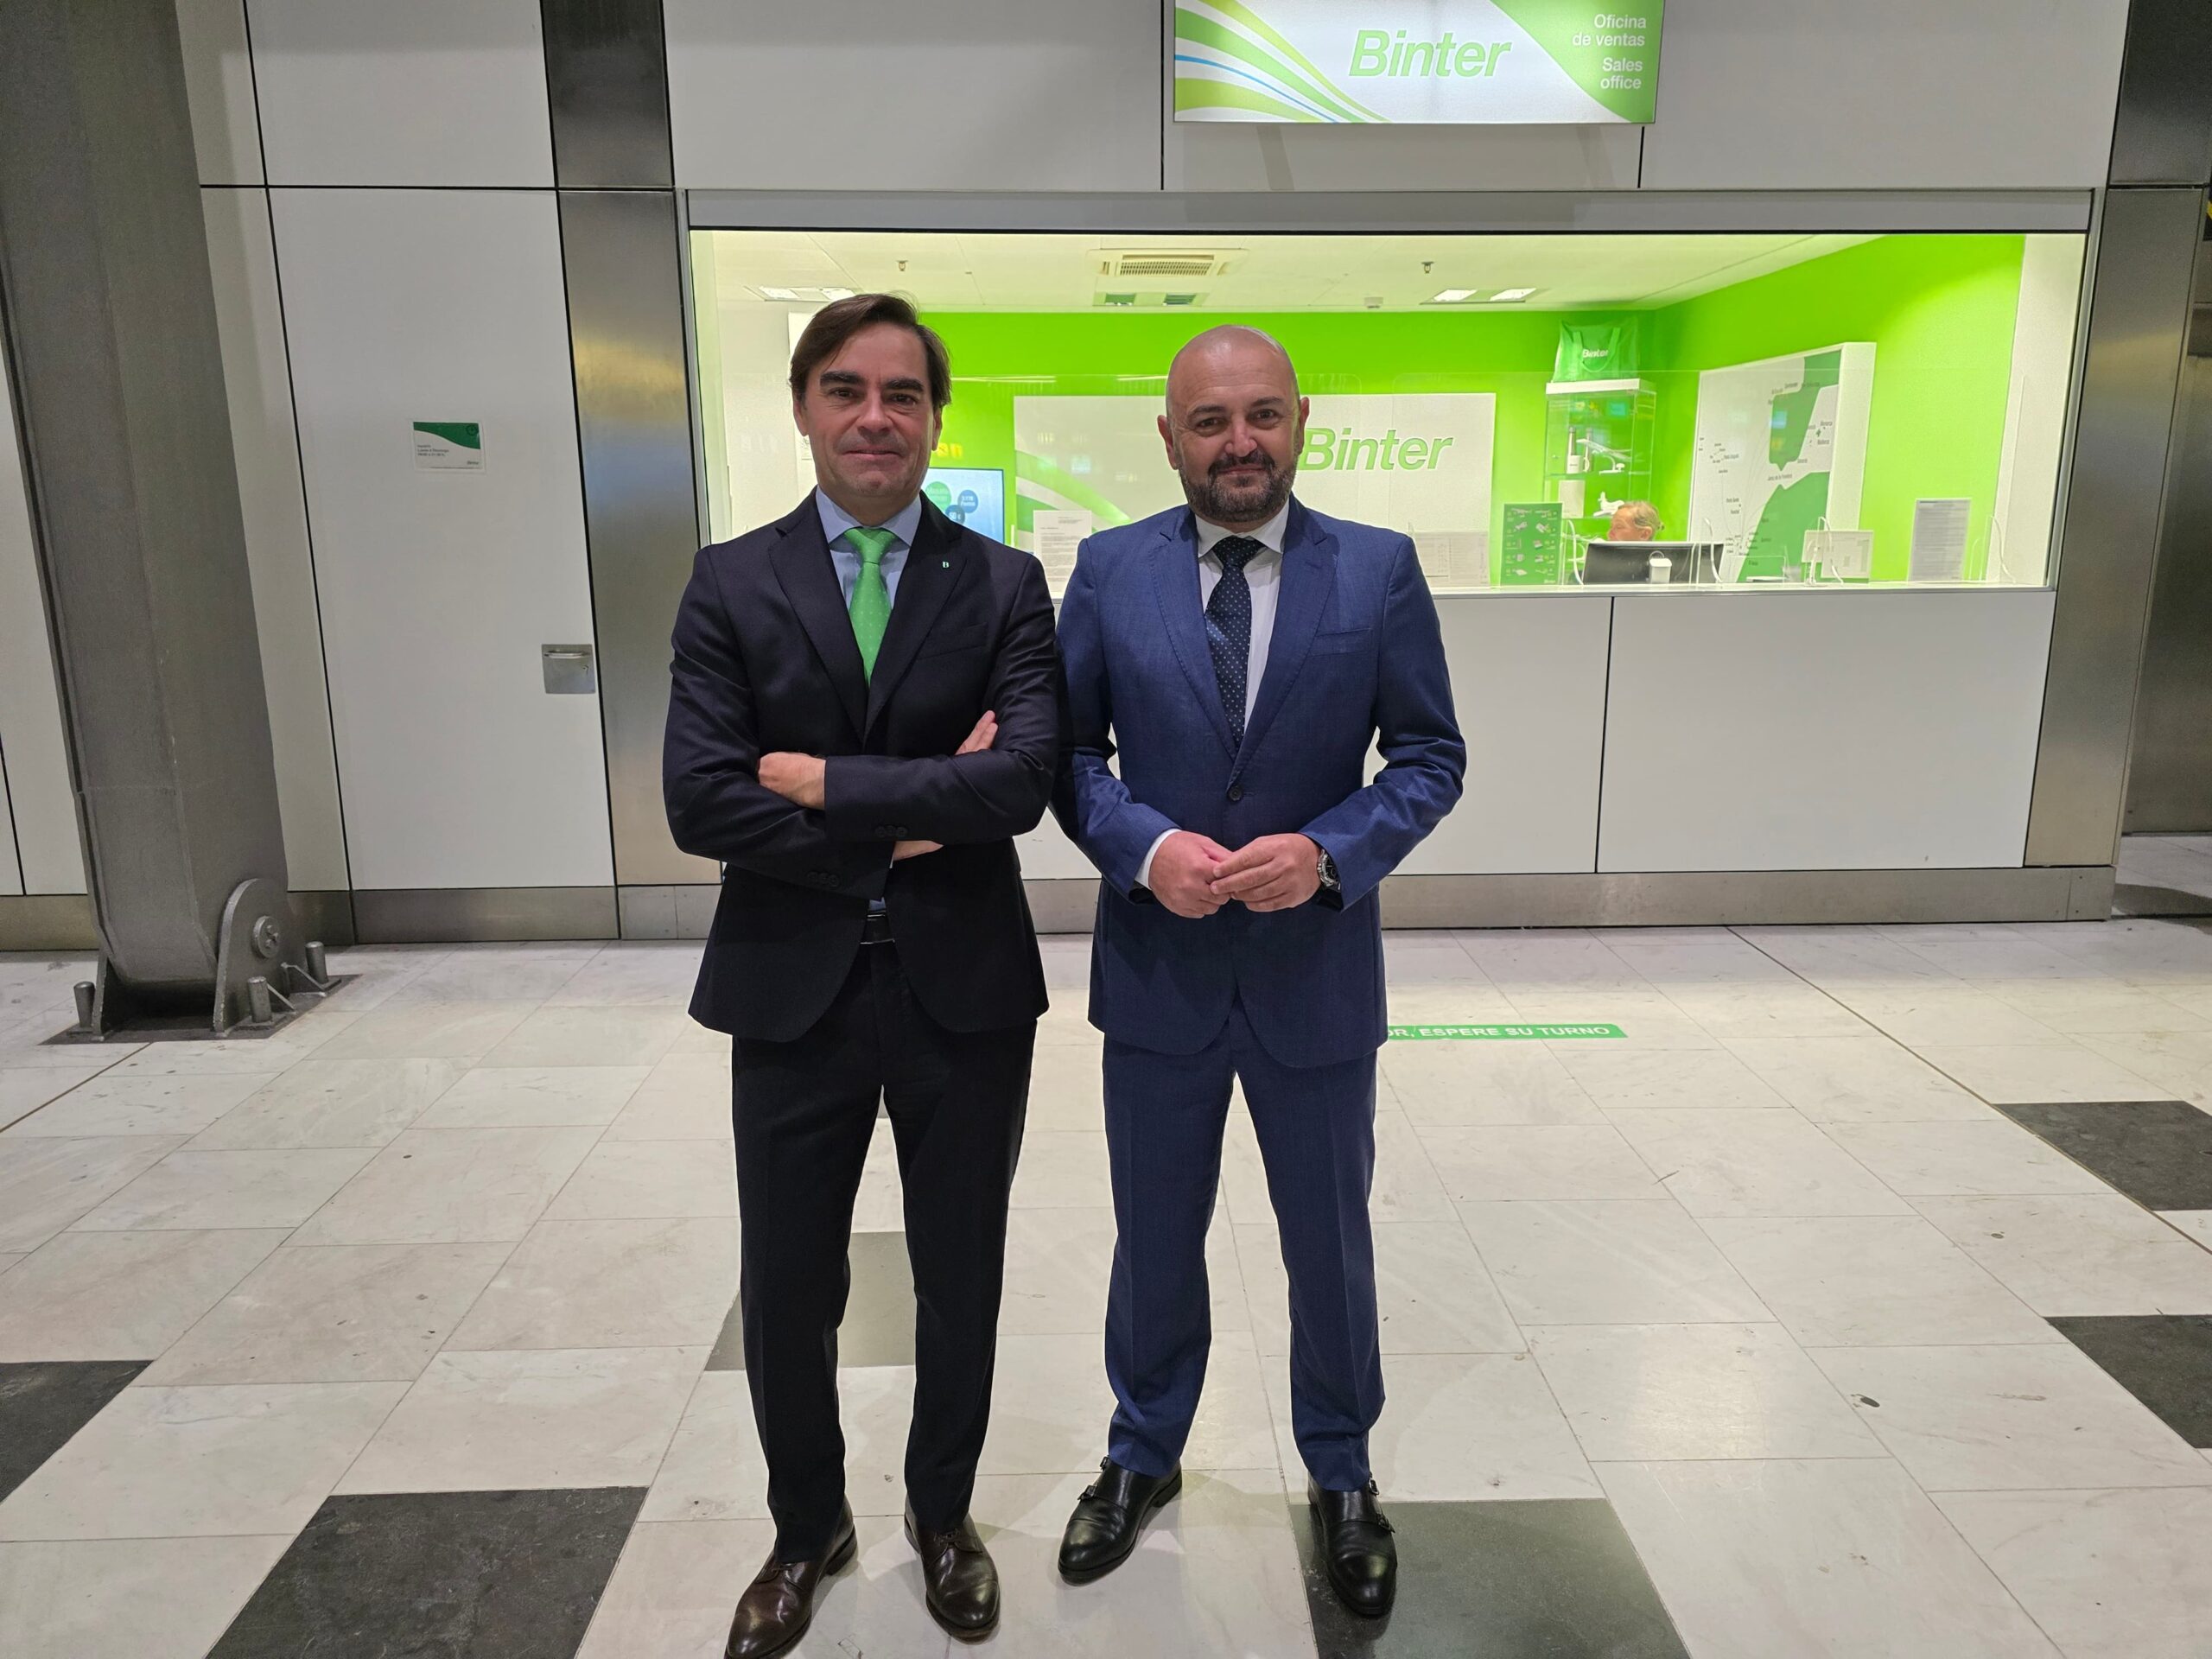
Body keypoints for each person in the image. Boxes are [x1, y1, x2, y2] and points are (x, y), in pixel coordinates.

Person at [663, 293, 1058, 1656]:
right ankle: (805, 1529)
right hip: (790, 985)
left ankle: (942, 1516)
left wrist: (827, 785)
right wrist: (917, 811)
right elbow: (700, 799)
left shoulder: (1003, 582)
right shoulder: (731, 580)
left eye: (903, 393)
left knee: (961, 1270)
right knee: (787, 1284)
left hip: (966, 987)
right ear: (803, 409)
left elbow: (1022, 781)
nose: (875, 417)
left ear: (937, 417)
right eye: (846, 389)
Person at [1050, 325, 1465, 1618]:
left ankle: (1341, 1471)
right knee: (1153, 1233)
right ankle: (1142, 1450)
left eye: (1264, 416)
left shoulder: (1377, 569)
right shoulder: (1109, 570)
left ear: (1300, 421)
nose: (1241, 443)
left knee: (1329, 1242)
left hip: (1314, 975)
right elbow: (1067, 757)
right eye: (1211, 420)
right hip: (1160, 972)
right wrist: (1145, 847)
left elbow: (1430, 756)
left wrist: (1333, 852)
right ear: (1169, 437)